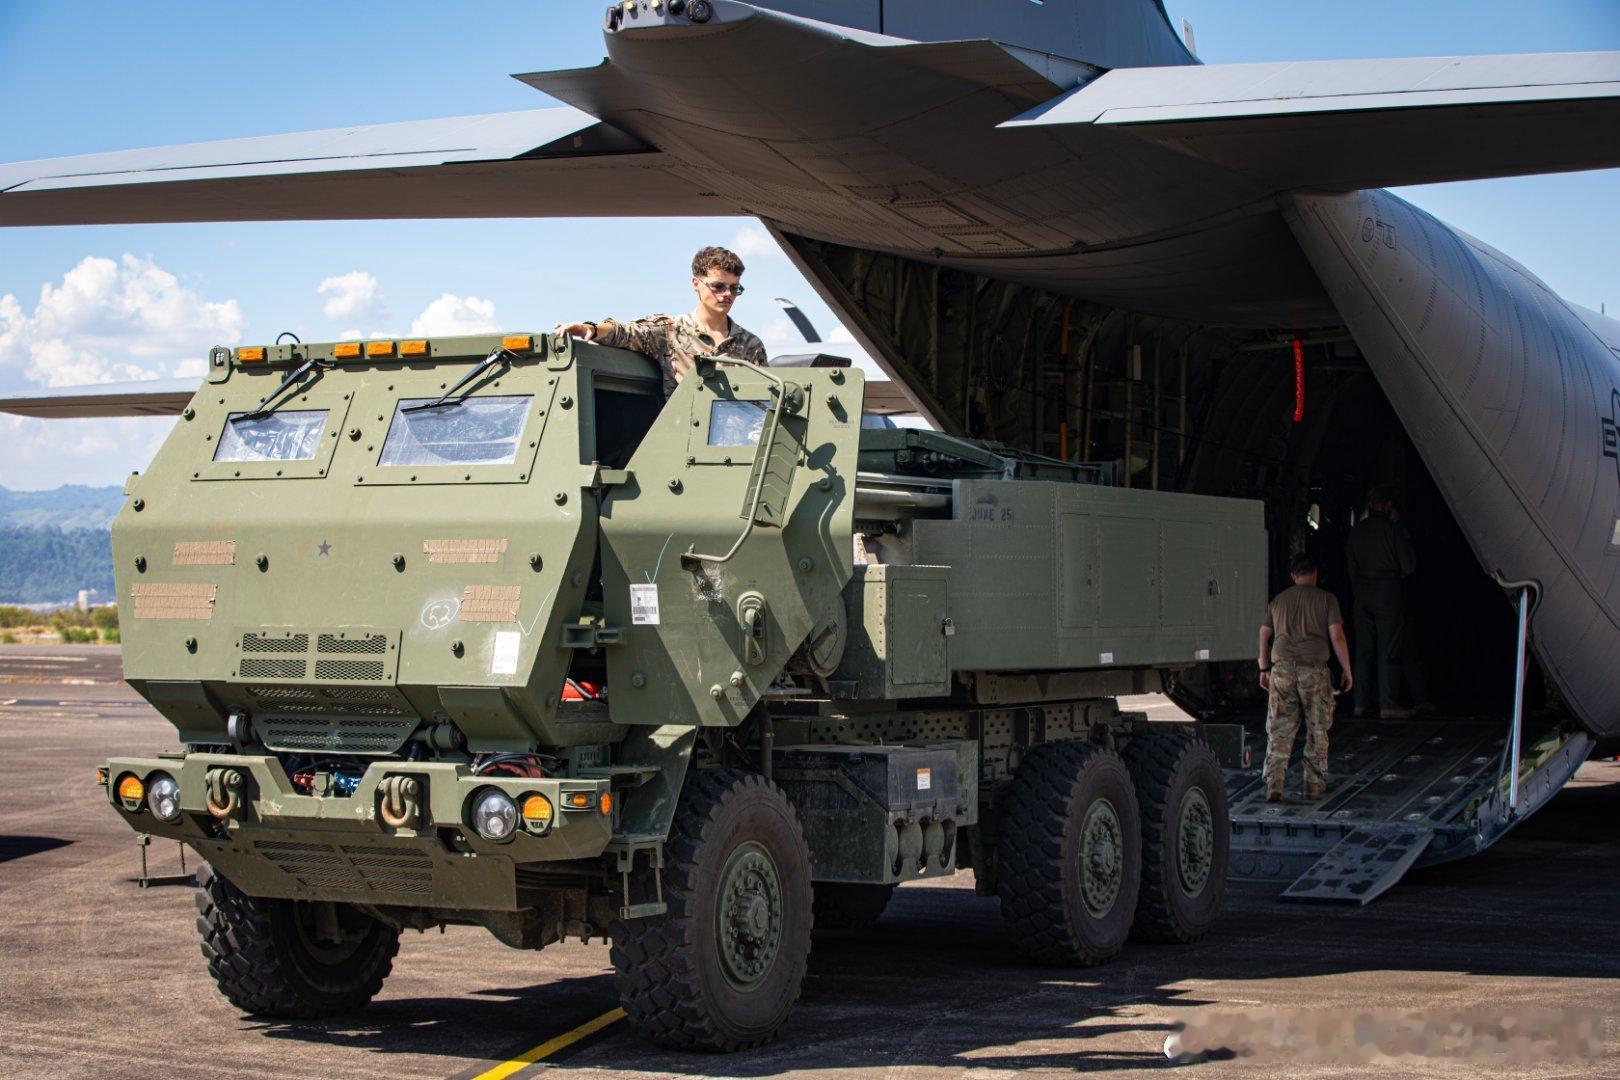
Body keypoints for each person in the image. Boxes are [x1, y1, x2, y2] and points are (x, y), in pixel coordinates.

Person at [553, 245, 767, 396]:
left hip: (743, 445)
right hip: (686, 441)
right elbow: (627, 333)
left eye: (734, 288)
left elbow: (766, 398)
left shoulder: (751, 345)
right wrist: (590, 328)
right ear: (696, 283)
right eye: (718, 286)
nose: (727, 294)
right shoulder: (670, 331)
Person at [1258, 552, 1354, 801]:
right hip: (1313, 671)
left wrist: (1263, 668)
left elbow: (1264, 634)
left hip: (1281, 670)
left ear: (1293, 575)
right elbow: (1337, 636)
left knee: (1279, 728)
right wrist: (1347, 669)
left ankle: (1275, 783)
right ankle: (1313, 783)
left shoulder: (1278, 600)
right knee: (1317, 727)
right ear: (1315, 573)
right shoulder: (1327, 599)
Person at [1345, 486, 1418, 718]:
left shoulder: (1357, 531)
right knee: (1389, 648)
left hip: (1362, 593)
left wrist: (1359, 591)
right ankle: (1388, 704)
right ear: (1387, 505)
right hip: (1387, 592)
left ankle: (1360, 702)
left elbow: (1351, 567)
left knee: (1363, 650)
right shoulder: (1392, 529)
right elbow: (1409, 565)